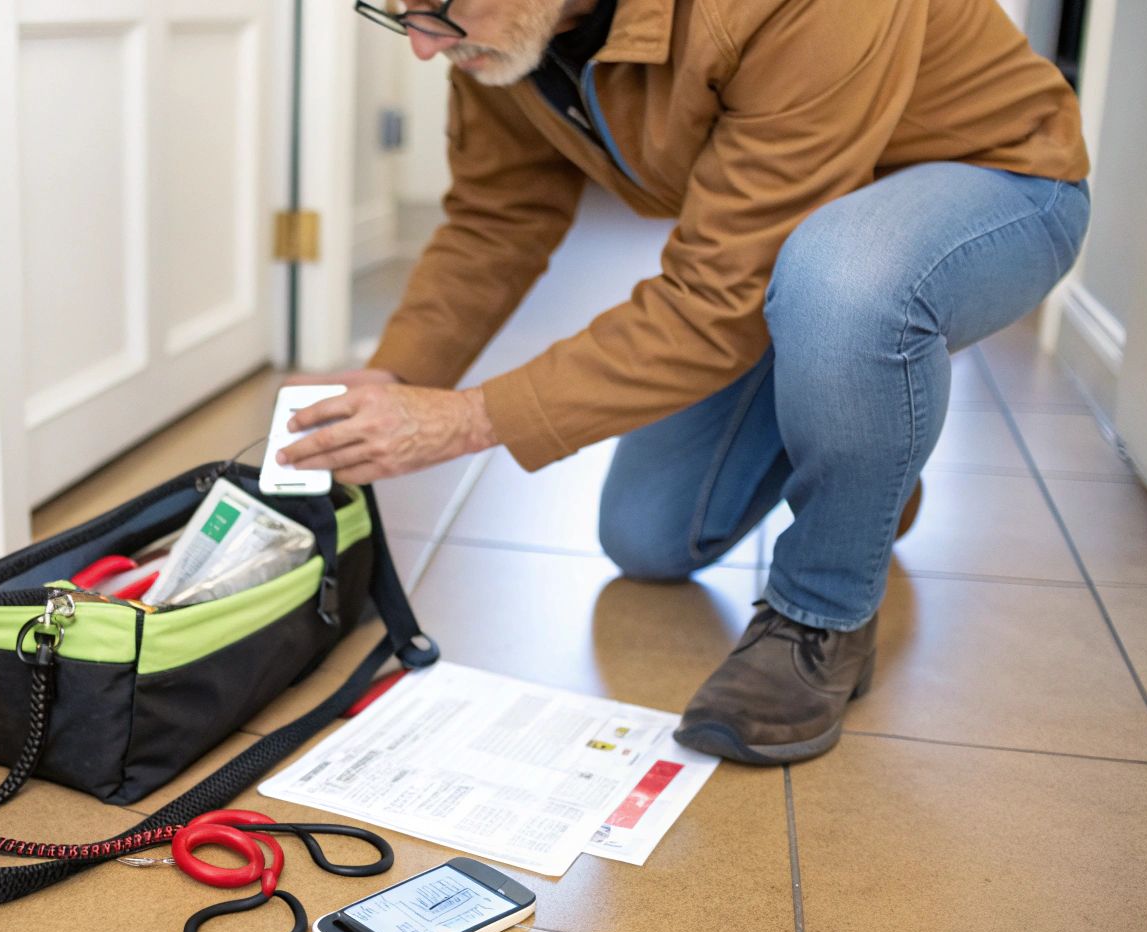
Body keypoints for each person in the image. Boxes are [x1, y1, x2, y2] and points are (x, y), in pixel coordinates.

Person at [278, 0, 1091, 764]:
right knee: (648, 536)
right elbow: (499, 215)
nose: (422, 41)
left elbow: (713, 301)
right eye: (394, 8)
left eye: (436, 6)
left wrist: (462, 420)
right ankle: (867, 441)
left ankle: (822, 613)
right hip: (788, 236)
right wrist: (392, 379)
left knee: (846, 283)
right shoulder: (492, 29)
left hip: (997, 187)